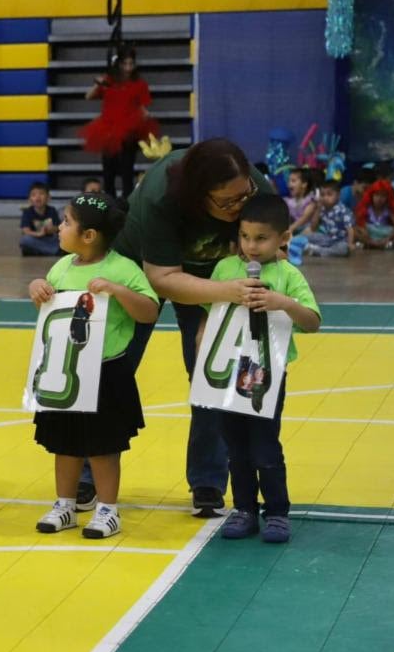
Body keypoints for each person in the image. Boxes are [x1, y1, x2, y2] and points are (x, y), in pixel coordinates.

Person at [88, 138, 275, 518]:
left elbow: (271, 254)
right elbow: (162, 278)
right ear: (199, 196)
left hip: (221, 276)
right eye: (228, 202)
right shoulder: (161, 198)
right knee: (111, 368)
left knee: (211, 371)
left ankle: (207, 480)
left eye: (245, 196)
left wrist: (216, 308)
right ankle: (88, 471)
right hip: (140, 270)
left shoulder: (256, 191)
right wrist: (225, 293)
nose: (241, 206)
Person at [27, 193, 159, 538]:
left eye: (67, 221)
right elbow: (49, 308)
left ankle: (107, 510)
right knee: (64, 443)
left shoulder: (123, 269)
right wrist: (37, 288)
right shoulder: (61, 266)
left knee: (103, 446)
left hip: (106, 373)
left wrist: (118, 291)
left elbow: (149, 311)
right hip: (66, 371)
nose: (59, 226)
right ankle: (65, 505)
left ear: (89, 235)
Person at [204, 195, 321, 543]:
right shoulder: (225, 270)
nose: (251, 247)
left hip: (268, 374)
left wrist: (283, 303)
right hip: (228, 372)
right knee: (235, 444)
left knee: (264, 444)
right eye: (244, 237)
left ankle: (277, 513)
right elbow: (210, 314)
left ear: (284, 237)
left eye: (261, 238)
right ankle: (243, 509)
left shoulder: (287, 275)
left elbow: (312, 321)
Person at [80, 45, 158, 198]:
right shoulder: (108, 81)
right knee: (108, 171)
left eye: (131, 64)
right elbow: (88, 96)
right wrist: (98, 84)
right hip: (108, 130)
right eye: (125, 64)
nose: (128, 68)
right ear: (119, 64)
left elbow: (143, 107)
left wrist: (146, 116)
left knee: (126, 171)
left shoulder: (140, 84)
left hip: (129, 131)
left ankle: (125, 205)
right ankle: (109, 202)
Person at [298, 180, 354, 257]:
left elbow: (350, 229)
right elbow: (313, 227)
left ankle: (317, 250)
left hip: (340, 241)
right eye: (322, 195)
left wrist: (350, 244)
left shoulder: (343, 210)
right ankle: (307, 247)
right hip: (327, 238)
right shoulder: (323, 209)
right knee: (308, 236)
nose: (325, 198)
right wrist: (318, 209)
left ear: (338, 195)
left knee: (343, 249)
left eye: (329, 194)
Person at [353, 179, 394, 249]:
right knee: (355, 231)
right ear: (371, 195)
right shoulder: (367, 207)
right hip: (369, 233)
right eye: (377, 195)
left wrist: (388, 238)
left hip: (383, 233)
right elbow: (358, 223)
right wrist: (364, 232)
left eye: (383, 196)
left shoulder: (388, 209)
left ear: (387, 198)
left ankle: (376, 244)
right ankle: (373, 244)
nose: (379, 199)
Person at [19, 182, 62, 256]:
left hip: (50, 239)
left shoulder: (52, 210)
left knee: (61, 239)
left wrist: (50, 230)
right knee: (25, 240)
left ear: (48, 198)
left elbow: (58, 227)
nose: (38, 197)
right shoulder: (27, 212)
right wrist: (38, 234)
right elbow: (26, 230)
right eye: (34, 195)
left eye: (41, 194)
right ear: (29, 199)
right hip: (35, 238)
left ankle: (41, 251)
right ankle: (53, 251)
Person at [284, 167, 317, 235]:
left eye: (293, 181)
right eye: (289, 181)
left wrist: (291, 228)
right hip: (296, 229)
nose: (289, 184)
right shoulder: (290, 201)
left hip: (306, 227)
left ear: (304, 184)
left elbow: (304, 218)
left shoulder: (309, 200)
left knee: (308, 231)